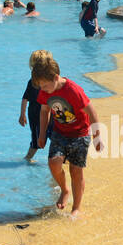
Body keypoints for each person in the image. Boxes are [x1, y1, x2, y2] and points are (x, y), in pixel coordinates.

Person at [31, 49, 103, 217]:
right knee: (53, 163)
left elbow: (92, 112)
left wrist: (97, 137)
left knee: (76, 171)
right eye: (41, 87)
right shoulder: (45, 91)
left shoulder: (73, 91)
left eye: (46, 86)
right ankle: (64, 189)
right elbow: (44, 111)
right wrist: (41, 135)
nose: (44, 90)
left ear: (56, 78)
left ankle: (76, 208)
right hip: (60, 133)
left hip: (80, 134)